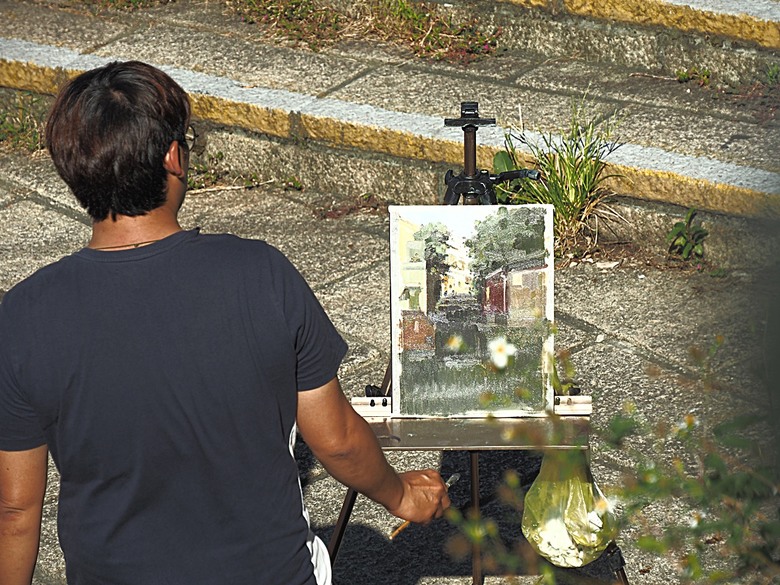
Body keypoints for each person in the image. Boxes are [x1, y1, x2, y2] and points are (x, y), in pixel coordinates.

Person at [0, 61, 450, 585]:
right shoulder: (261, 274)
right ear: (174, 157)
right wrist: (401, 496)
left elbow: (15, 511)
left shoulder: (26, 315)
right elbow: (338, 441)